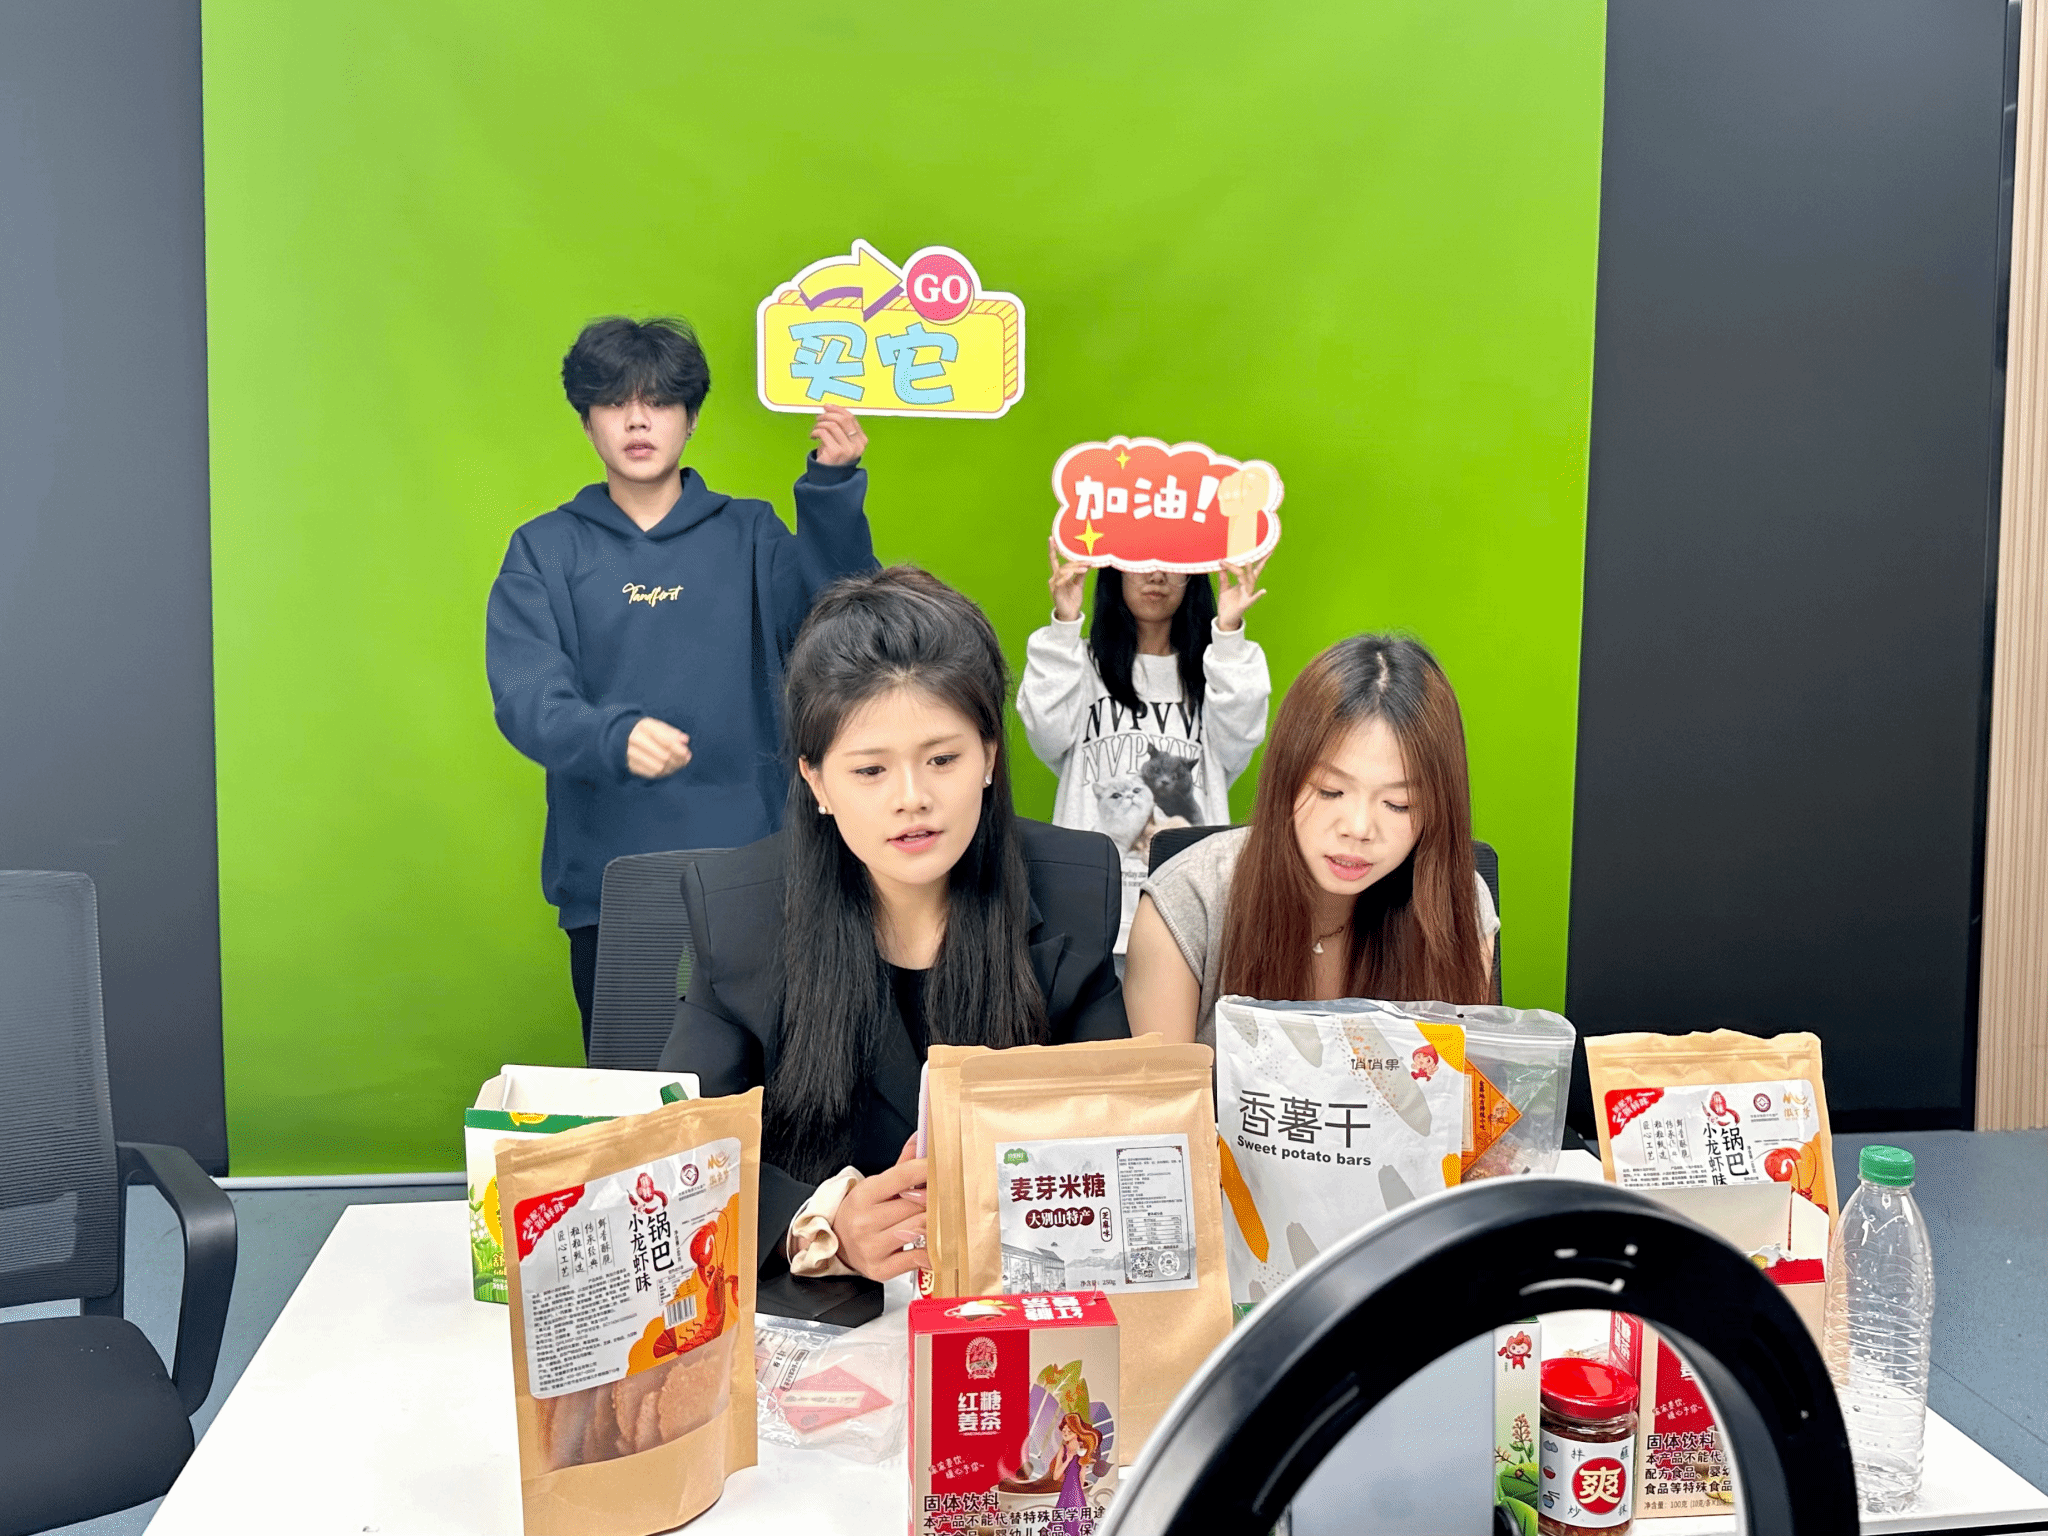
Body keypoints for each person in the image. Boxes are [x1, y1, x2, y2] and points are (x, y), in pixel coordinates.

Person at [657, 567, 1129, 1280]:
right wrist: (819, 1226)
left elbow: (1118, 1125)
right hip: (823, 1313)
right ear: (817, 781)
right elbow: (678, 1149)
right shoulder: (736, 909)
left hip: (1010, 1290)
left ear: (989, 757)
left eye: (942, 759)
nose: (913, 798)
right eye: (870, 771)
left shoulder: (1075, 887)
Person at [487, 316, 878, 1050]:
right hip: (612, 882)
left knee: (771, 1085)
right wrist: (612, 735)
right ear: (587, 421)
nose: (638, 420)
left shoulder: (752, 535)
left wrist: (830, 489)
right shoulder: (545, 548)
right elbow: (526, 693)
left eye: (660, 401)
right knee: (636, 1086)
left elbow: (844, 627)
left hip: (758, 872)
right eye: (614, 402)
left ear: (691, 418)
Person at [1125, 634, 1498, 1047]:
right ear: (1285, 778)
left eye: (1399, 804)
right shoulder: (1189, 901)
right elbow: (1168, 1089)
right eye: (1329, 791)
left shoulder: (1456, 902)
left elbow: (1452, 1078)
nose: (1358, 828)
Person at [1017, 541, 1272, 957]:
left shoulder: (1220, 672)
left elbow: (1239, 741)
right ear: (1115, 568)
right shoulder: (1077, 663)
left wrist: (1228, 635)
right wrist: (1064, 624)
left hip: (1187, 914)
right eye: (1141, 560)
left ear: (1193, 574)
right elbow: (1046, 735)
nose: (1156, 575)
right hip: (1088, 913)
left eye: (1172, 561)